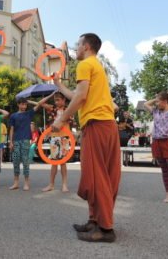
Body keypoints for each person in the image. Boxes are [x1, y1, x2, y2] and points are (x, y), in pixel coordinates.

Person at [51, 33, 121, 243]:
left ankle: (106, 229)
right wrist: (59, 86)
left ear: (87, 46)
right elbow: (80, 95)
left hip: (96, 125)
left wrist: (61, 120)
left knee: (96, 175)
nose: (75, 47)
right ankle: (95, 220)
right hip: (107, 125)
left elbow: (80, 97)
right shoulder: (96, 66)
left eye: (78, 44)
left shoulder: (84, 65)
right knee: (103, 175)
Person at [30, 91, 73, 193]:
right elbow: (40, 103)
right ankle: (51, 184)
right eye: (55, 100)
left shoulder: (69, 109)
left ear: (64, 100)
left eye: (58, 100)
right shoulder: (52, 109)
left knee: (63, 162)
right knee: (54, 162)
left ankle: (64, 185)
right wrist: (51, 95)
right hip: (54, 137)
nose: (56, 102)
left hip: (64, 137)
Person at [9, 98, 41, 191]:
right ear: (18, 105)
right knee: (15, 161)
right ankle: (16, 182)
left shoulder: (29, 114)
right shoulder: (13, 116)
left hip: (26, 140)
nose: (23, 106)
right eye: (22, 104)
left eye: (25, 105)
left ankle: (26, 182)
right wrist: (11, 142)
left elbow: (39, 104)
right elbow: (11, 129)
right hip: (16, 140)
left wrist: (30, 101)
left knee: (25, 162)